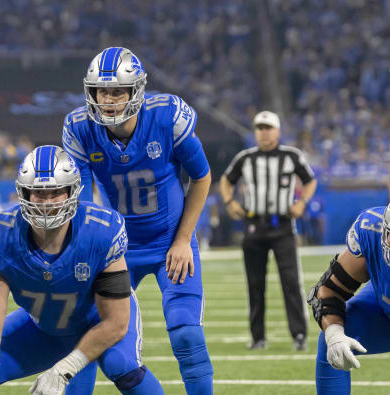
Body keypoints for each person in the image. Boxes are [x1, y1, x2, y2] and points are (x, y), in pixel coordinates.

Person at [62, 47, 214, 394]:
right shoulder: (81, 128)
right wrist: (88, 252)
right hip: (118, 250)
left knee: (187, 332)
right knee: (92, 338)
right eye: (102, 90)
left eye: (117, 90)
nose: (109, 99)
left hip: (168, 242)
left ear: (136, 91)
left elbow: (201, 177)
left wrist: (182, 240)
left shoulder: (166, 117)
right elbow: (82, 202)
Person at [0, 146, 164, 395]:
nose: (47, 202)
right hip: (47, 327)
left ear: (72, 192)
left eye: (56, 192)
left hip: (100, 321)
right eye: (39, 193)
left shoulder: (101, 230)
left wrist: (64, 369)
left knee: (121, 365)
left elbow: (117, 323)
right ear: (24, 193)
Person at [219, 110, 317, 351]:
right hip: (254, 226)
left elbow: (310, 180)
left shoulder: (291, 156)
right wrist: (230, 202)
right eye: (260, 128)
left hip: (283, 226)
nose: (264, 132)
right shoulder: (245, 158)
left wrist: (301, 202)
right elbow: (225, 180)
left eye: (268, 128)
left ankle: (299, 335)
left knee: (291, 282)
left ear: (278, 131)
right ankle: (257, 337)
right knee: (255, 283)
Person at [308, 203, 390, 394]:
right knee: (333, 343)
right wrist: (335, 334)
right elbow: (329, 292)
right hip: (383, 303)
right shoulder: (371, 230)